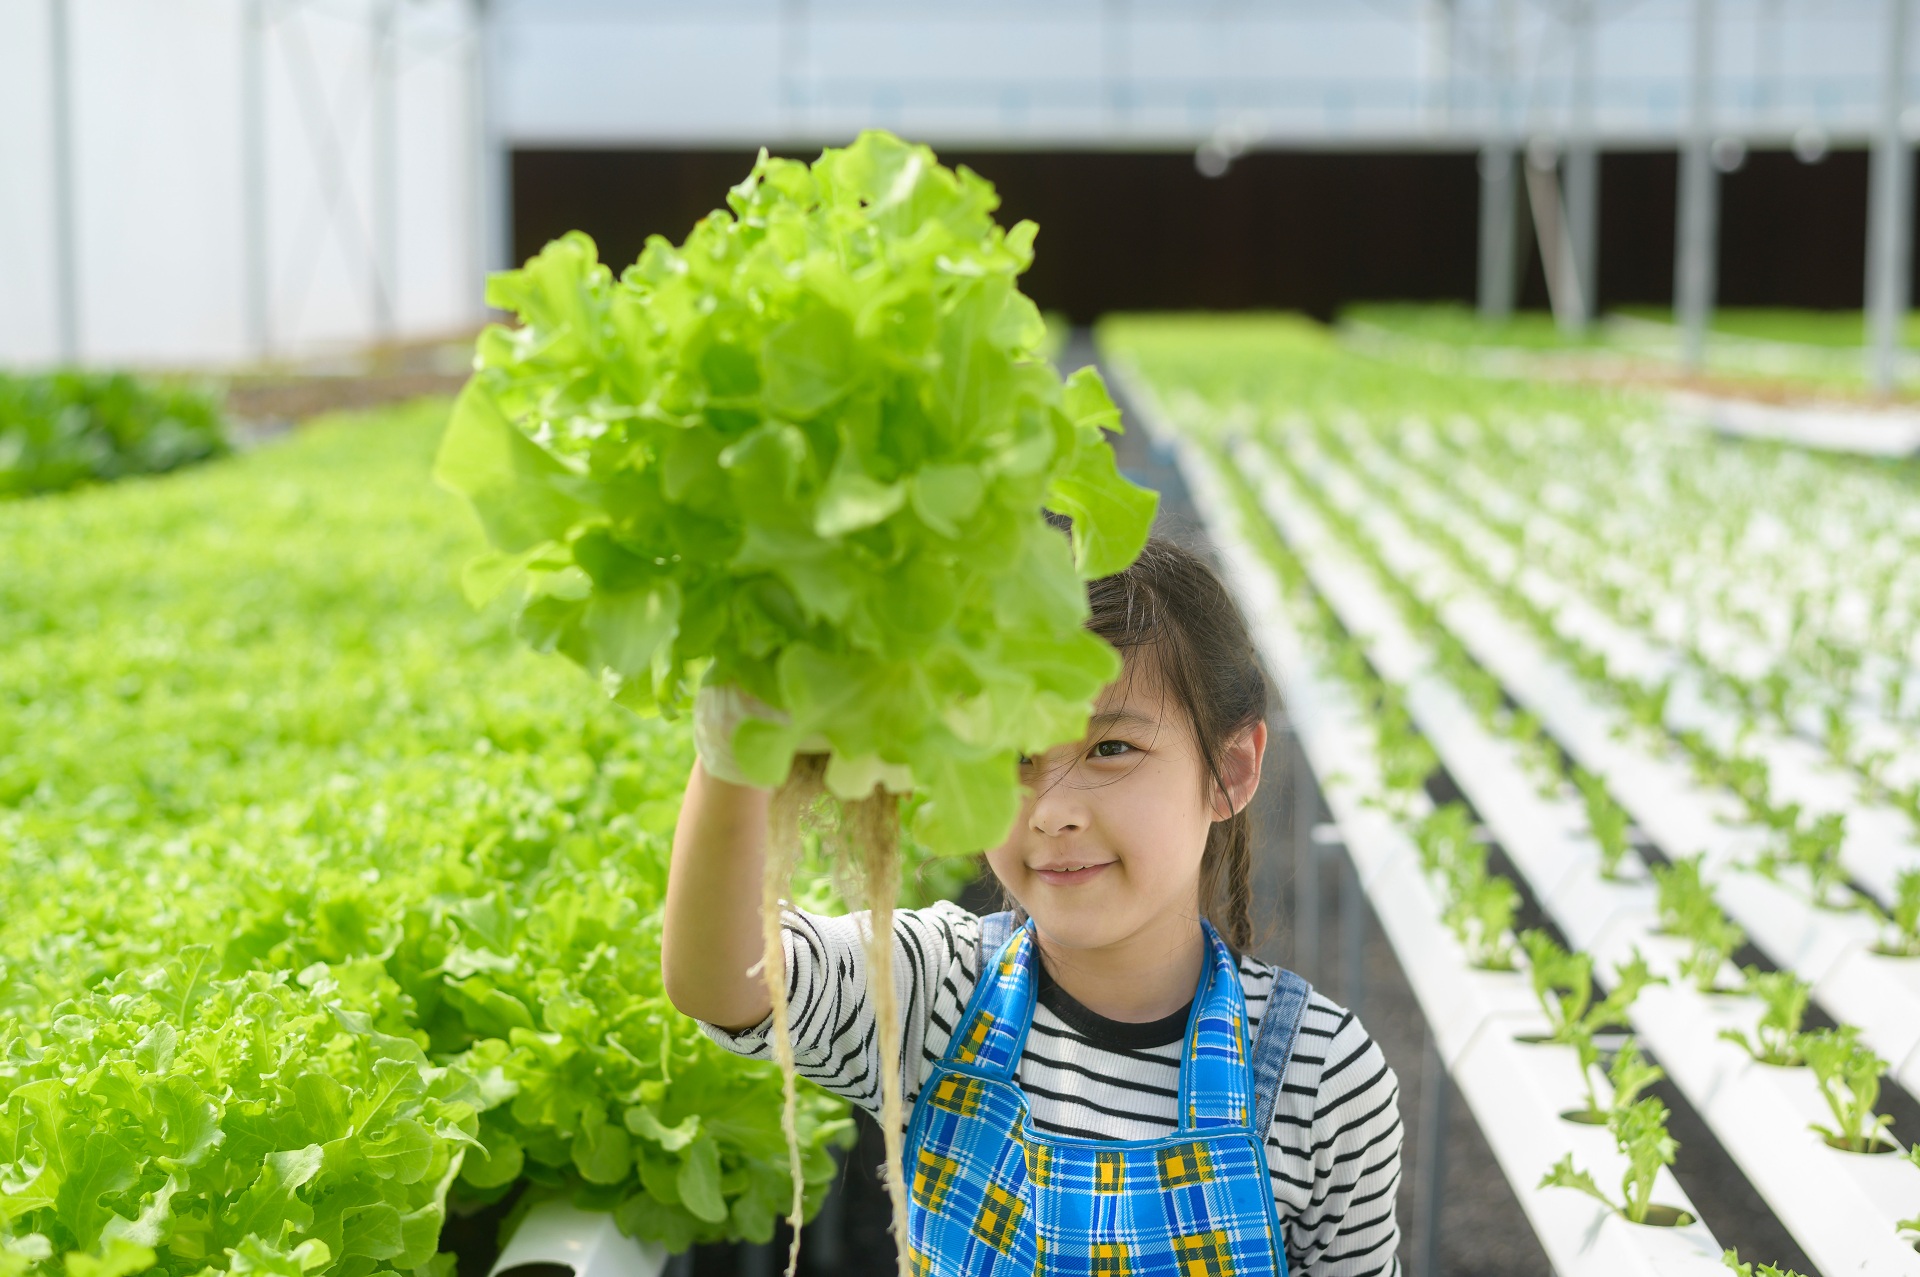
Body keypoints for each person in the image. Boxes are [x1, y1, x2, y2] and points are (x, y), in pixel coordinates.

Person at [662, 530, 1404, 1276]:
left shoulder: (1322, 1079)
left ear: (1231, 770)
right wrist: (737, 739)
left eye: (1111, 749)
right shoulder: (937, 990)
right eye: (1012, 756)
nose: (1051, 811)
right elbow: (723, 980)